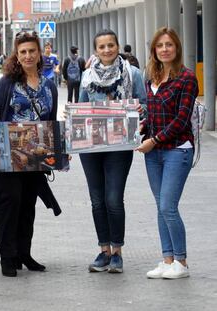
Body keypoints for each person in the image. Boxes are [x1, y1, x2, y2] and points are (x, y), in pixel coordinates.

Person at [0, 31, 59, 277]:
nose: (28, 55)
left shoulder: (49, 85)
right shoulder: (7, 83)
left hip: (37, 155)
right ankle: (7, 258)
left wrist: (57, 152)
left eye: (32, 51)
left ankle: (24, 253)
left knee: (28, 206)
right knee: (11, 205)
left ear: (39, 53)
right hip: (9, 155)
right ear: (16, 56)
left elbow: (51, 122)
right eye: (23, 52)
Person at [79, 29, 146, 273]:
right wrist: (72, 115)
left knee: (113, 199)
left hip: (119, 145)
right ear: (95, 50)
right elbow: (82, 107)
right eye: (102, 46)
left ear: (117, 46)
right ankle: (103, 250)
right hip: (90, 147)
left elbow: (145, 104)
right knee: (97, 201)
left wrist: (139, 110)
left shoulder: (133, 73)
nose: (106, 50)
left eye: (110, 45)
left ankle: (117, 252)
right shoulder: (87, 76)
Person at [136, 27, 198, 279]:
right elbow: (150, 114)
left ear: (176, 48)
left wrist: (154, 139)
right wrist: (140, 127)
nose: (164, 49)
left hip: (177, 150)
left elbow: (182, 120)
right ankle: (167, 259)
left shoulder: (187, 78)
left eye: (169, 45)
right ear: (154, 50)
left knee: (168, 206)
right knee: (160, 207)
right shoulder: (150, 76)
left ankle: (181, 263)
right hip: (154, 152)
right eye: (160, 45)